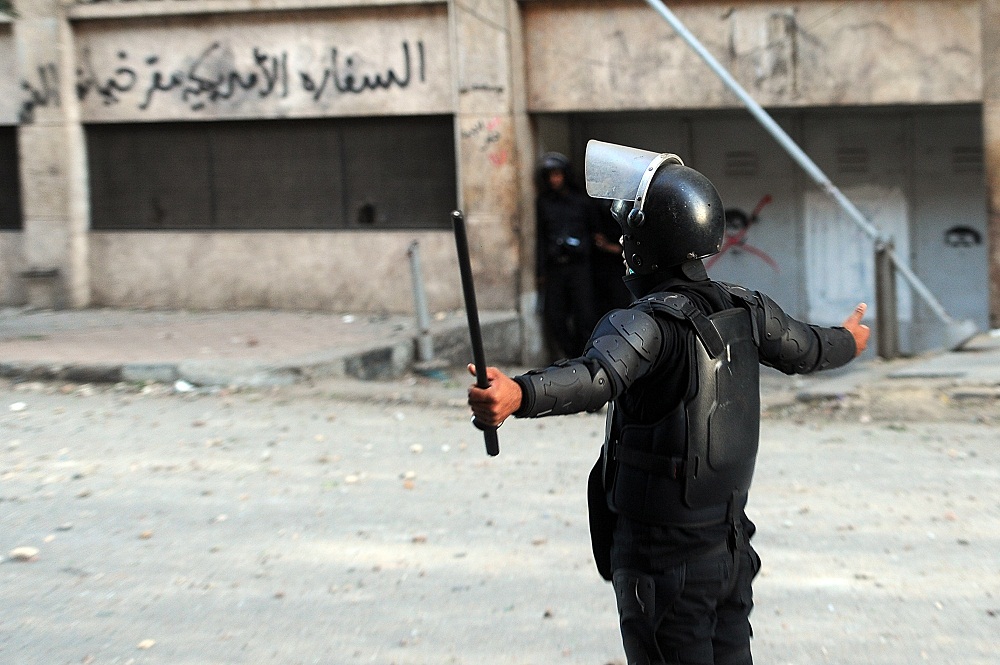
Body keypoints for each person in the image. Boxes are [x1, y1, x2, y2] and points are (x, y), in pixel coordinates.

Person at [468, 140, 870, 665]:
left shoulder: (646, 323)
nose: (622, 243)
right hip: (728, 550)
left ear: (644, 244)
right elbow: (808, 347)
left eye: (628, 234)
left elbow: (595, 377)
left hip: (663, 562)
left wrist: (520, 394)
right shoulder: (747, 307)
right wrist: (849, 340)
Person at [535, 151, 600, 358]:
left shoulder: (581, 202)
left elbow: (595, 233)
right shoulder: (544, 203)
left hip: (580, 266)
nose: (554, 180)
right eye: (550, 176)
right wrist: (541, 271)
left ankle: (584, 358)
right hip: (556, 267)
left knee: (585, 316)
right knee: (555, 317)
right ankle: (571, 355)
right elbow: (541, 238)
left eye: (557, 174)